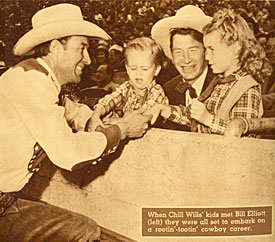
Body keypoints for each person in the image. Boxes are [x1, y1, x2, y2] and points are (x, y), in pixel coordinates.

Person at [0, 4, 152, 241]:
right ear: (55, 47)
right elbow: (68, 153)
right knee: (83, 229)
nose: (88, 59)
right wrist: (121, 129)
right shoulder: (29, 82)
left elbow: (71, 110)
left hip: (6, 202)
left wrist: (93, 118)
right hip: (4, 205)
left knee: (82, 227)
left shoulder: (42, 80)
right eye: (81, 48)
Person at [147, 8, 272, 136]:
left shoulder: (246, 87)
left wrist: (208, 119)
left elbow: (241, 135)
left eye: (212, 49)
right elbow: (194, 117)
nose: (207, 57)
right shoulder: (220, 83)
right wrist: (165, 109)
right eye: (178, 51)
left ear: (236, 49)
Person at [151, 5, 215, 131]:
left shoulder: (221, 86)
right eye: (178, 52)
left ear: (206, 51)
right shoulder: (167, 90)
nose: (186, 59)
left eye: (193, 50)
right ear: (172, 56)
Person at [88, 37, 169, 131]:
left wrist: (117, 121)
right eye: (133, 68)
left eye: (144, 69)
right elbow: (110, 99)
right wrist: (97, 113)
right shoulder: (127, 86)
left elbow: (144, 117)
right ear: (127, 68)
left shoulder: (156, 91)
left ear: (156, 70)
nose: (138, 73)